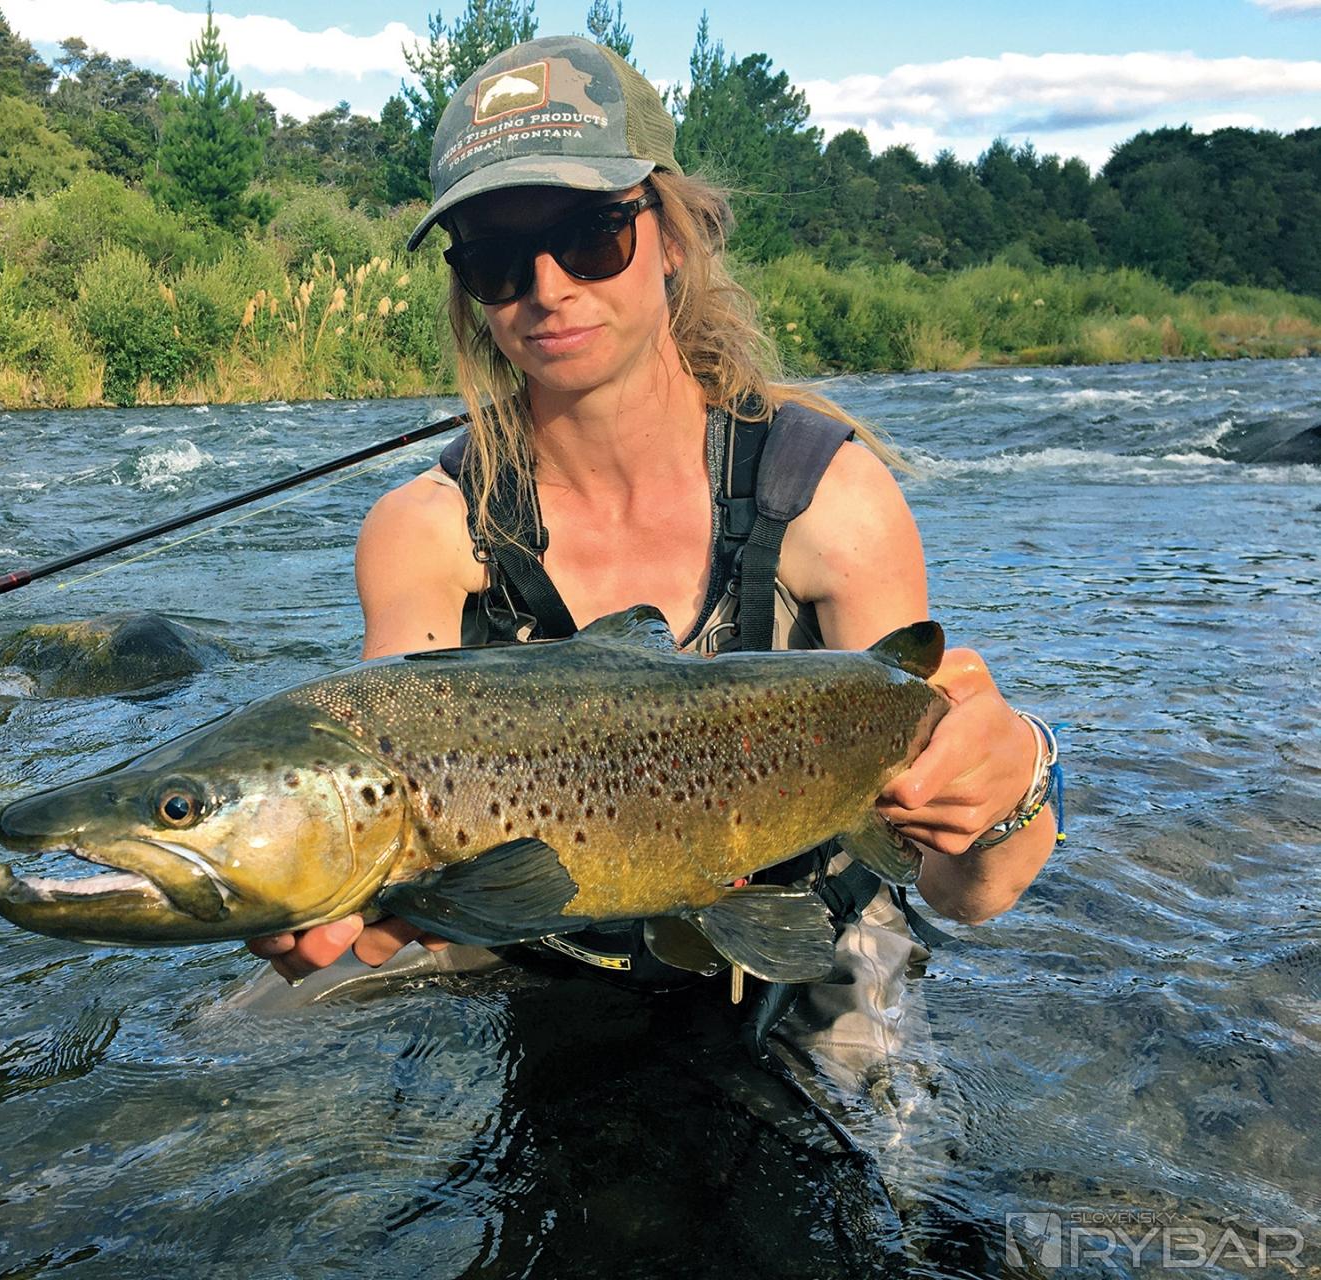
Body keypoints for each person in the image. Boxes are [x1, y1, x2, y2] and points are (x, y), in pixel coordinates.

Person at [246, 35, 1057, 1070]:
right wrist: (302, 880)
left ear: (670, 236)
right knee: (229, 1039)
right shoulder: (427, 528)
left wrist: (1018, 781)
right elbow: (392, 802)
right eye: (495, 258)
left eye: (590, 235)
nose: (545, 286)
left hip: (796, 939)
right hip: (545, 944)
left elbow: (964, 892)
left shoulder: (827, 499)